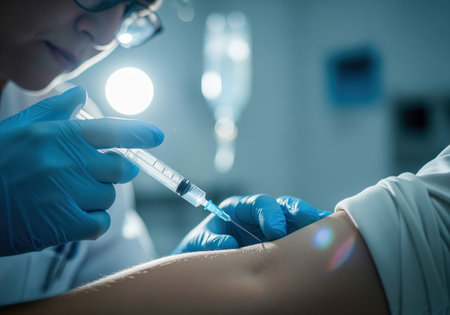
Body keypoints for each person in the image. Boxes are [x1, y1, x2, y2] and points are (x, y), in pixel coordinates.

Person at [0, 1, 448, 314]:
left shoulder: (82, 128)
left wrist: (176, 266)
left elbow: (111, 294)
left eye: (134, 11)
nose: (102, 34)